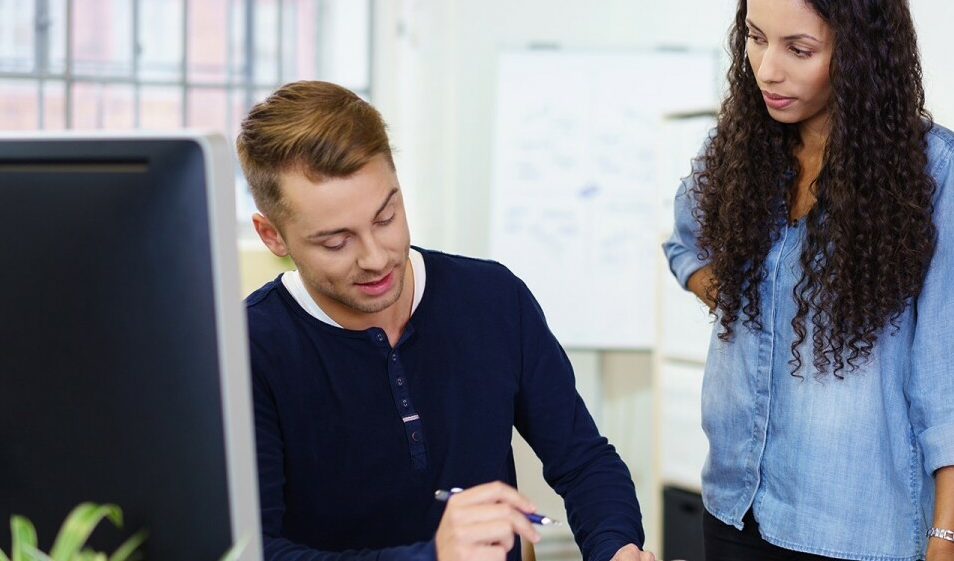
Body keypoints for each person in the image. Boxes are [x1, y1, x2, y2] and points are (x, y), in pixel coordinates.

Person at [663, 0, 954, 560]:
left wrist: (949, 540)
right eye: (755, 36)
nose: (768, 69)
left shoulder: (938, 172)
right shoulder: (741, 149)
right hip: (734, 508)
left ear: (861, 51)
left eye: (800, 48)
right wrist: (735, 292)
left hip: (856, 529)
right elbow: (684, 242)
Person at [236, 80, 655, 561]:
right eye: (336, 242)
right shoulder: (249, 349)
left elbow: (583, 460)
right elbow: (256, 551)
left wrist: (616, 546)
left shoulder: (493, 298)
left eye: (386, 217)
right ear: (273, 236)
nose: (376, 258)